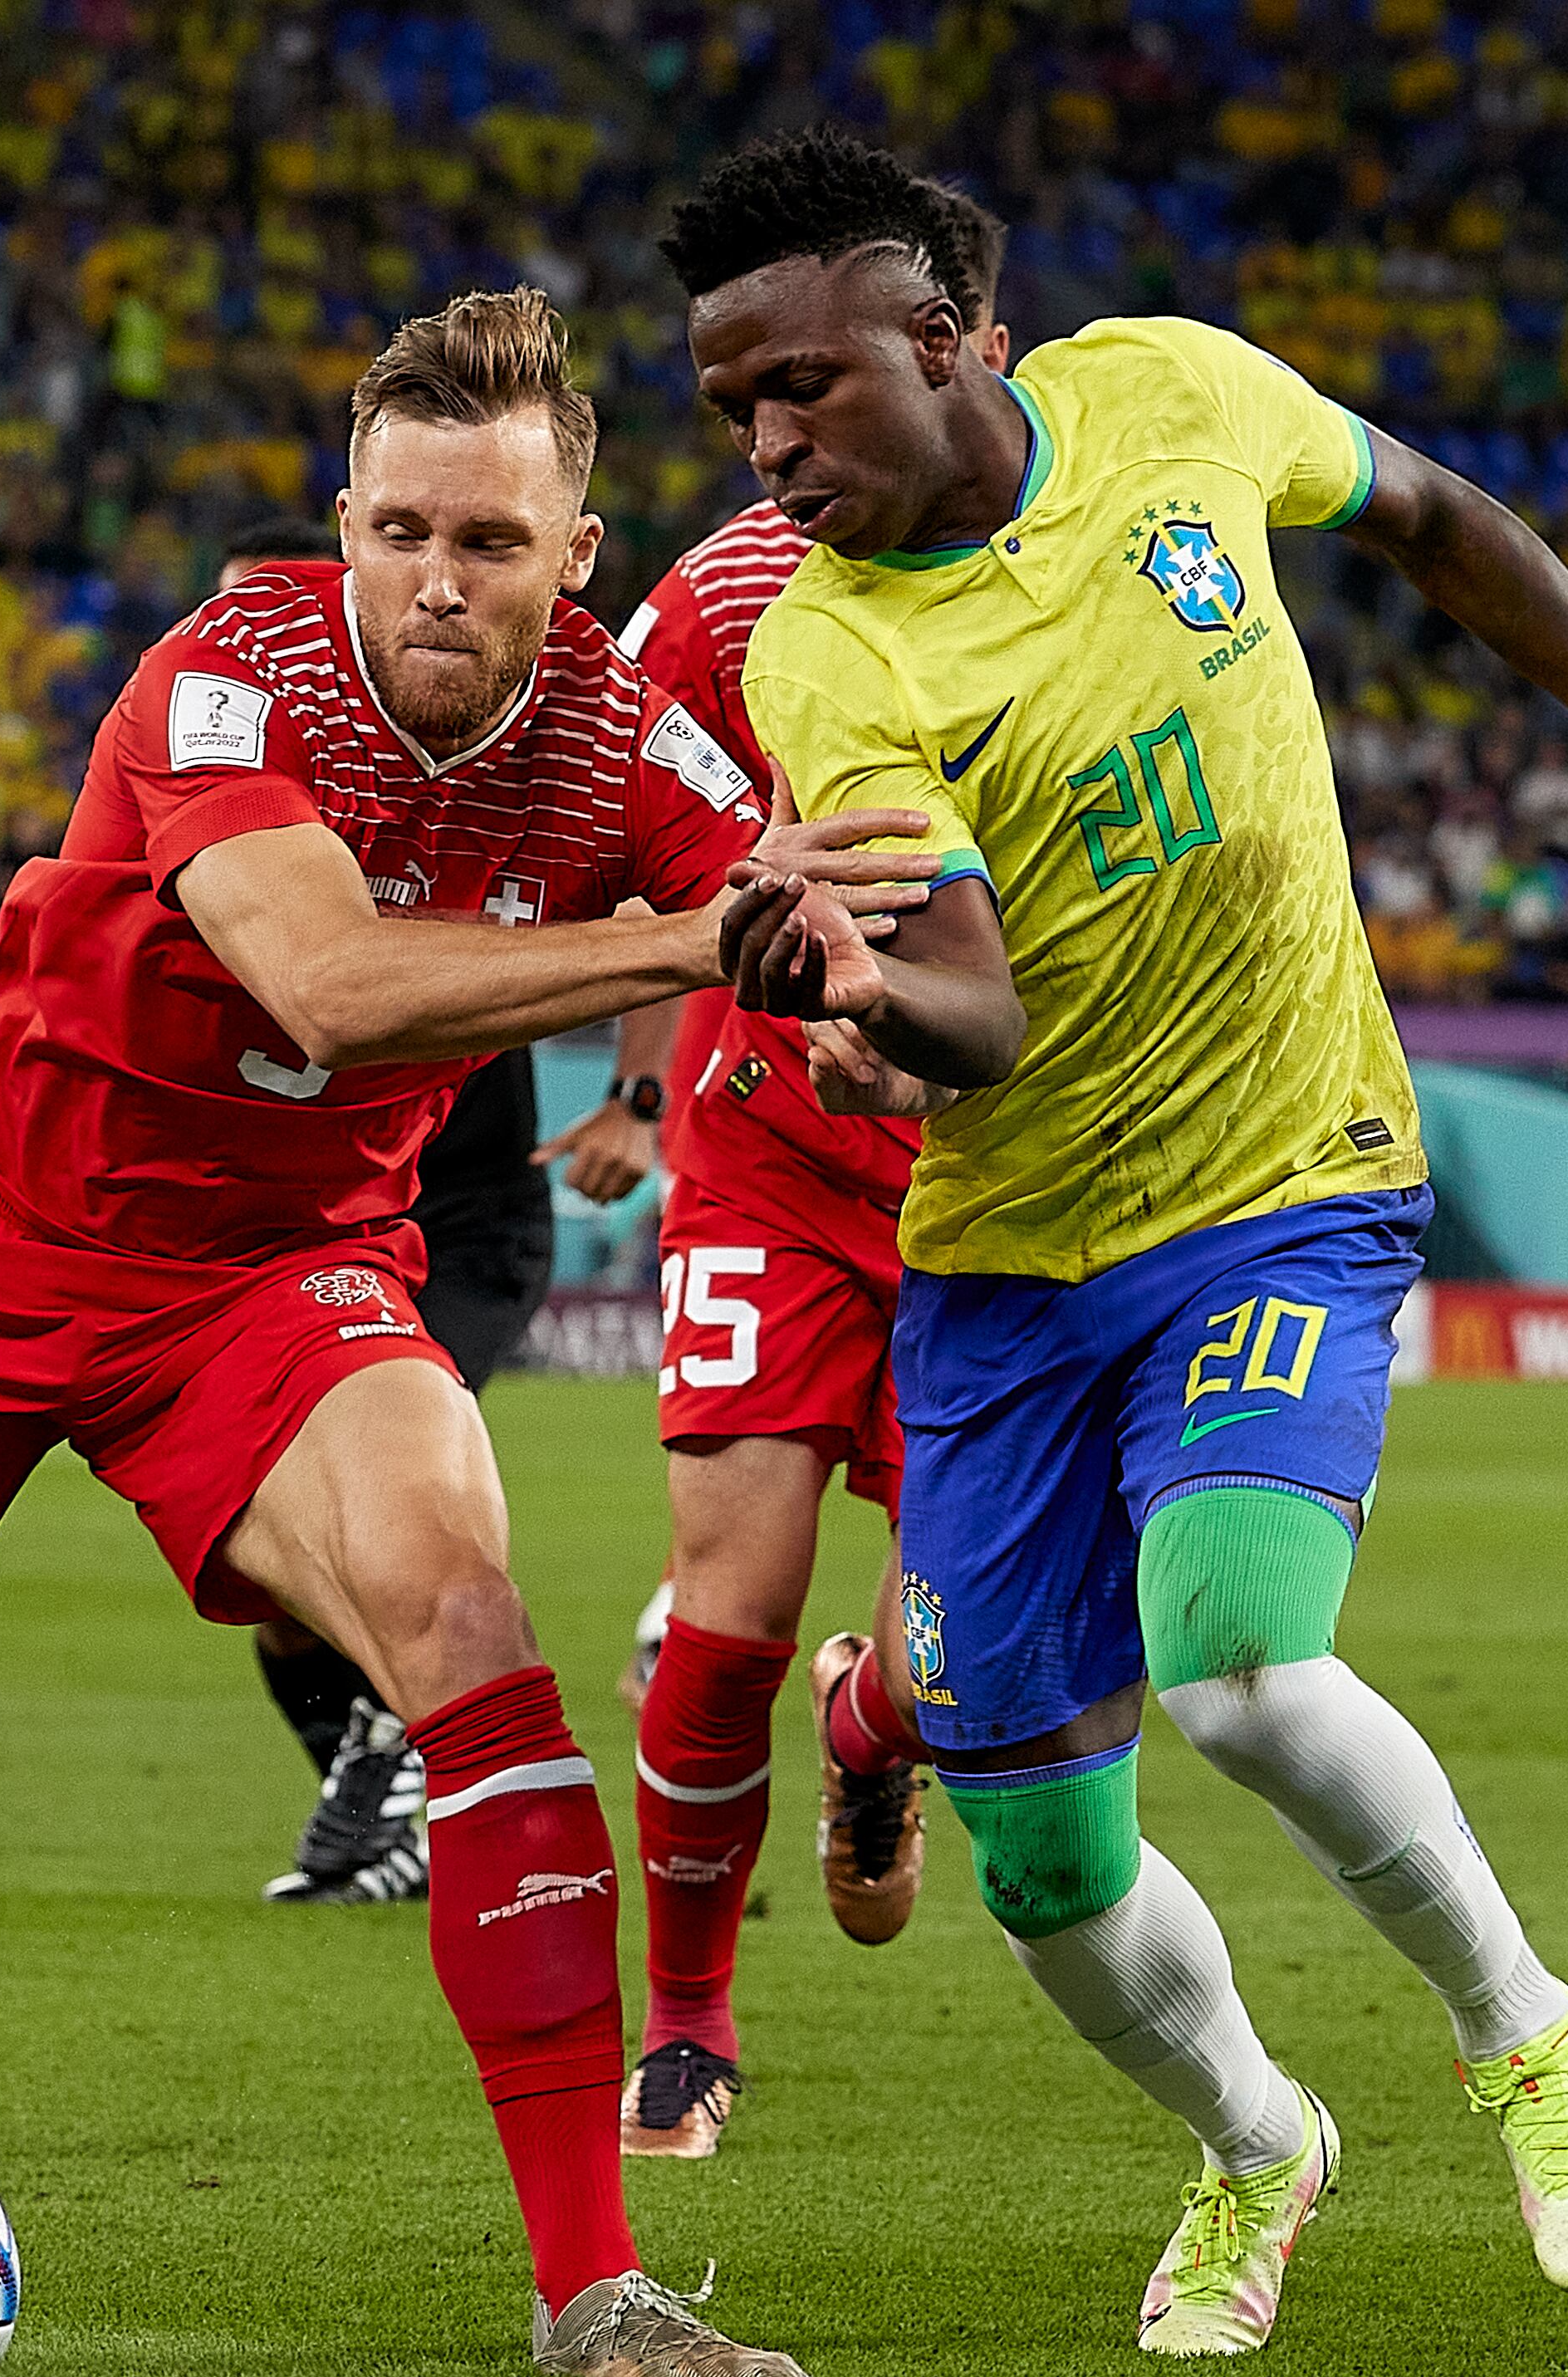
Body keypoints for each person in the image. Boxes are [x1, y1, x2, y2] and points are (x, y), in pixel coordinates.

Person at [0, 291, 928, 2377]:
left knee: (470, 1626)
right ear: (342, 523)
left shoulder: (631, 746)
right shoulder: (222, 678)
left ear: (576, 558)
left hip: (275, 1278)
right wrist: (690, 944)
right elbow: (327, 984)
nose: (431, 581)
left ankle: (595, 2290)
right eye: (397, 531)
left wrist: (856, 1023)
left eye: (485, 541)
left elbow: (818, 939)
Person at [668, 128, 1568, 2354]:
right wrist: (857, 997)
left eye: (801, 386)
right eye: (731, 412)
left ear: (955, 337)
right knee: (1044, 1865)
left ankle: (1523, 2035)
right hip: (1011, 1265)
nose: (769, 445)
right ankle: (1255, 2146)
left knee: (1243, 1662)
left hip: (1287, 1172)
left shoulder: (1173, 396)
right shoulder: (823, 657)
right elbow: (978, 1018)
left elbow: (1445, 525)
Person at [594, 174, 1008, 2161]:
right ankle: (684, 2022)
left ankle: (877, 1737)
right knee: (723, 1608)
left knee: (978, 1654)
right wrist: (616, 1082)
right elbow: (626, 841)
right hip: (762, 1156)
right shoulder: (719, 605)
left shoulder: (1090, 596)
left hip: (993, 1196)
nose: (780, 447)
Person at [205, 517, 660, 1909]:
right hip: (289, 1248)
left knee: (369, 1538)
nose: (241, 650)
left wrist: (642, 1104)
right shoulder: (224, 811)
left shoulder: (451, 789)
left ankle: (400, 1806)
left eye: (267, 614)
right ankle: (376, 1786)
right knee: (268, 1580)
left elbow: (661, 887)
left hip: (450, 1231)